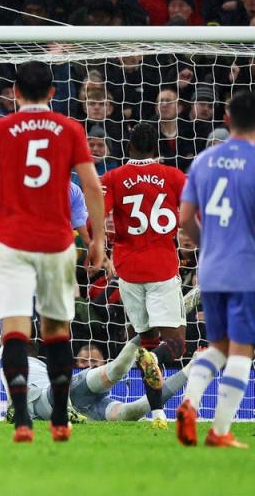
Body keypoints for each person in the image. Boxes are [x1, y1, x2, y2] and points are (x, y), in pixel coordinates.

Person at [0, 61, 106, 443]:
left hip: (11, 244)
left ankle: (22, 417)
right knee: (57, 331)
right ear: (54, 93)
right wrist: (97, 240)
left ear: (15, 93)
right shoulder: (70, 129)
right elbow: (91, 186)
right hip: (56, 245)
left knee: (15, 332)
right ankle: (59, 416)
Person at [177, 90, 255, 448]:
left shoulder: (204, 161)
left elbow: (184, 218)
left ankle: (190, 403)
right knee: (242, 351)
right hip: (245, 270)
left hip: (211, 268)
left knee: (218, 347)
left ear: (227, 119)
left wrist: (208, 243)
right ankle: (220, 431)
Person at [101, 122, 187, 428]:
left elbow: (96, 213)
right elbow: (192, 212)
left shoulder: (112, 177)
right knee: (175, 345)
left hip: (128, 271)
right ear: (157, 148)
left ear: (129, 147)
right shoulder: (174, 176)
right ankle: (157, 367)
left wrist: (100, 246)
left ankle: (158, 415)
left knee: (148, 342)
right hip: (162, 267)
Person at [0, 335, 194, 423]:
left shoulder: (6, 357)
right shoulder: (22, 362)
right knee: (134, 411)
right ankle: (191, 367)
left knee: (117, 370)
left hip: (60, 397)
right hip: (71, 401)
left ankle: (145, 334)